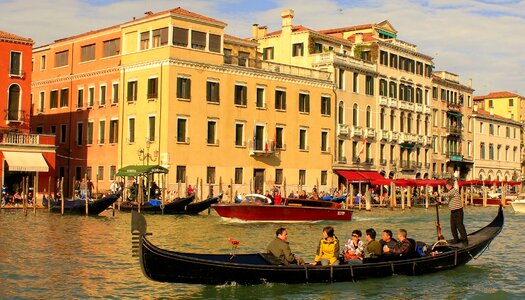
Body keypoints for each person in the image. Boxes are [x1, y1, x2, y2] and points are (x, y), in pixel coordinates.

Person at [440, 179, 468, 245]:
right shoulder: (451, 192)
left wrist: (439, 193)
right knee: (453, 227)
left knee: (460, 227)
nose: (445, 186)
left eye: (446, 185)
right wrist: (440, 202)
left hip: (458, 212)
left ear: (448, 185)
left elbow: (447, 194)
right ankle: (456, 239)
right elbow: (448, 201)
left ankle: (465, 241)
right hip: (453, 212)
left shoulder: (454, 191)